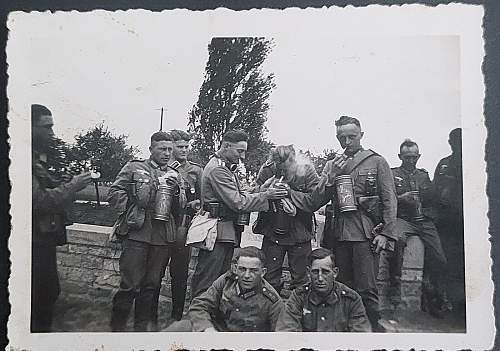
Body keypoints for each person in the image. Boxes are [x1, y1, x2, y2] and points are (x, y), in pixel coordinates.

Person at [289, 116, 398, 331]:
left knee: (367, 288)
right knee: (340, 286)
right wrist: (330, 177)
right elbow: (314, 201)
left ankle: (371, 330)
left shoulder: (377, 161)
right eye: (342, 138)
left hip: (365, 234)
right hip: (337, 234)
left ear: (361, 135)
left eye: (352, 137)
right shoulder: (333, 164)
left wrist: (386, 233)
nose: (346, 142)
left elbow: (389, 199)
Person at [190, 130, 288, 298]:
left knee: (219, 280)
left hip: (224, 231)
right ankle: (198, 319)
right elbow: (238, 202)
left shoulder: (225, 168)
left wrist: (261, 188)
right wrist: (267, 195)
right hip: (217, 231)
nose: (242, 156)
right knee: (208, 282)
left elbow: (241, 193)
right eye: (239, 150)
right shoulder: (218, 170)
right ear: (226, 146)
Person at [108, 131, 183, 331]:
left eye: (170, 149)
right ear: (151, 149)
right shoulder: (135, 167)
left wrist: (176, 192)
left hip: (162, 235)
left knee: (151, 286)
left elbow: (180, 208)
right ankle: (116, 331)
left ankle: (140, 332)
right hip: (137, 233)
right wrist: (132, 209)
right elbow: (115, 192)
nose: (167, 153)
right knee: (130, 285)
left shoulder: (175, 174)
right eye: (162, 149)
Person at [31, 104, 93, 332]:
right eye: (46, 127)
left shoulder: (36, 159)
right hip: (33, 240)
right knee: (41, 295)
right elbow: (40, 202)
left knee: (48, 292)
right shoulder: (20, 159)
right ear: (29, 126)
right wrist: (73, 185)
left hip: (42, 238)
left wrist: (65, 184)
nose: (52, 133)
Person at [387, 139, 450, 317]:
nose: (411, 161)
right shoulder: (393, 174)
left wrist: (428, 211)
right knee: (396, 242)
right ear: (400, 156)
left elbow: (433, 199)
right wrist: (402, 197)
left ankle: (434, 296)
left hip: (423, 221)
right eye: (407, 157)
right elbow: (386, 198)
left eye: (414, 157)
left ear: (419, 156)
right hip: (403, 219)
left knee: (439, 257)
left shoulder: (423, 176)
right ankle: (395, 289)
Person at [150, 129, 203, 322]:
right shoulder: (161, 168)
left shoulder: (196, 170)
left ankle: (176, 316)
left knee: (179, 275)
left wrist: (195, 204)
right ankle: (151, 316)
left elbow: (201, 200)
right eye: (180, 147)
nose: (184, 150)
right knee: (155, 274)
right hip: (161, 228)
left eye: (186, 147)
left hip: (182, 228)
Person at [164, 246, 283, 332]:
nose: (247, 275)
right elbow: (199, 305)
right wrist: (207, 329)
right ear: (235, 269)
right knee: (179, 328)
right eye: (242, 269)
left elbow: (281, 335)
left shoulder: (272, 300)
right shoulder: (226, 281)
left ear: (263, 272)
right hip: (218, 334)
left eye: (253, 270)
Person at [255, 145, 320, 295]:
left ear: (293, 162)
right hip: (273, 230)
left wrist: (291, 195)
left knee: (302, 280)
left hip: (300, 231)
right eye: (280, 169)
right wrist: (266, 191)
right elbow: (256, 193)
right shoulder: (267, 169)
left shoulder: (307, 171)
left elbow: (315, 200)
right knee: (268, 279)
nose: (283, 172)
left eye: (287, 169)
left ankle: (299, 313)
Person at [276, 248, 371, 332]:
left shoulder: (351, 299)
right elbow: (286, 333)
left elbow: (361, 338)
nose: (320, 278)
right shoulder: (298, 297)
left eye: (325, 272)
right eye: (315, 272)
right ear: (308, 273)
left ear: (335, 272)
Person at [433, 128, 465, 315]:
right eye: (453, 140)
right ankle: (449, 304)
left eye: (459, 140)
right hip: (445, 223)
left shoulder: (478, 161)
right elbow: (435, 189)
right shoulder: (444, 164)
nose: (456, 143)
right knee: (445, 262)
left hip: (467, 223)